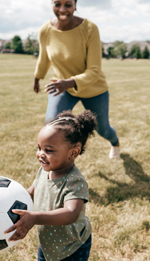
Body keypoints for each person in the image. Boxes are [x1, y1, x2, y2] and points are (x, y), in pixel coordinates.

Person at [33, 0, 119, 159]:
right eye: (57, 4)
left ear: (75, 5)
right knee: (51, 127)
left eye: (68, 4)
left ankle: (115, 142)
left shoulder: (89, 29)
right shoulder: (45, 30)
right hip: (63, 88)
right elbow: (44, 57)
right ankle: (55, 169)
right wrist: (37, 77)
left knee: (102, 129)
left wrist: (71, 82)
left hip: (94, 89)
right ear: (52, 4)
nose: (62, 9)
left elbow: (94, 70)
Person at [5, 110, 96, 261]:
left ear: (73, 153)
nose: (40, 154)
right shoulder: (43, 171)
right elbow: (31, 194)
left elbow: (71, 212)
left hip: (72, 248)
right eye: (39, 147)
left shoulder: (74, 181)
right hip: (48, 244)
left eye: (48, 150)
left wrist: (34, 218)